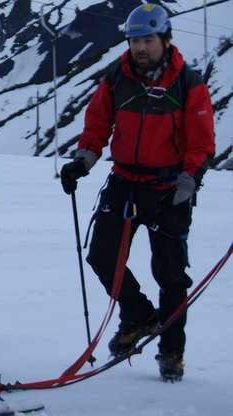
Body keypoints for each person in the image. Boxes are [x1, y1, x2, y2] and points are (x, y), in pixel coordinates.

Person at [60, 4, 215, 382]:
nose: (140, 48)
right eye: (134, 41)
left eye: (147, 40)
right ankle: (139, 316)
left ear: (165, 40)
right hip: (124, 181)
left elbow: (201, 143)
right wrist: (82, 161)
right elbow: (97, 125)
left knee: (171, 275)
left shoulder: (188, 84)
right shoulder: (117, 77)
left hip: (168, 188)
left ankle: (171, 352)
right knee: (101, 256)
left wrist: (189, 179)